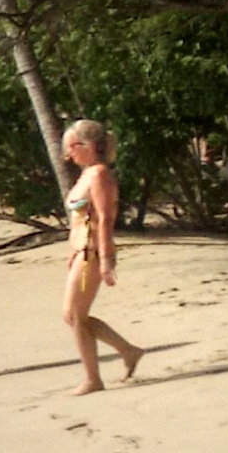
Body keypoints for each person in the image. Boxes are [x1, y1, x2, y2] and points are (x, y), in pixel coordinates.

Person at [60, 119, 146, 394]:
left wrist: (107, 260)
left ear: (87, 146)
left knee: (75, 315)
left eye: (72, 146)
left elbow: (106, 219)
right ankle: (127, 350)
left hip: (94, 253)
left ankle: (92, 379)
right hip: (81, 250)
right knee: (72, 315)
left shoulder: (99, 175)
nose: (69, 153)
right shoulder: (87, 174)